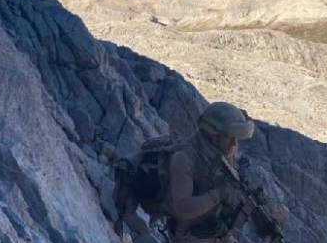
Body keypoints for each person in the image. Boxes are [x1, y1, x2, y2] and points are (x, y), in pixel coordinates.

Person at [115, 102, 277, 243]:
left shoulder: (225, 153)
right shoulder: (184, 159)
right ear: (213, 132)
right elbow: (182, 209)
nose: (234, 143)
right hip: (186, 235)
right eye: (229, 137)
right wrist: (218, 195)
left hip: (214, 232)